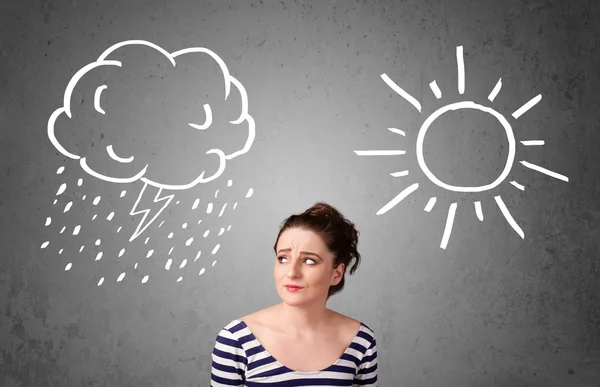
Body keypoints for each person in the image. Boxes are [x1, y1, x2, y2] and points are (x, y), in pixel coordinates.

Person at [210, 202, 378, 386]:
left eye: (309, 260)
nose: (292, 272)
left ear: (336, 273)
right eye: (283, 258)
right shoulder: (236, 340)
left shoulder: (361, 341)